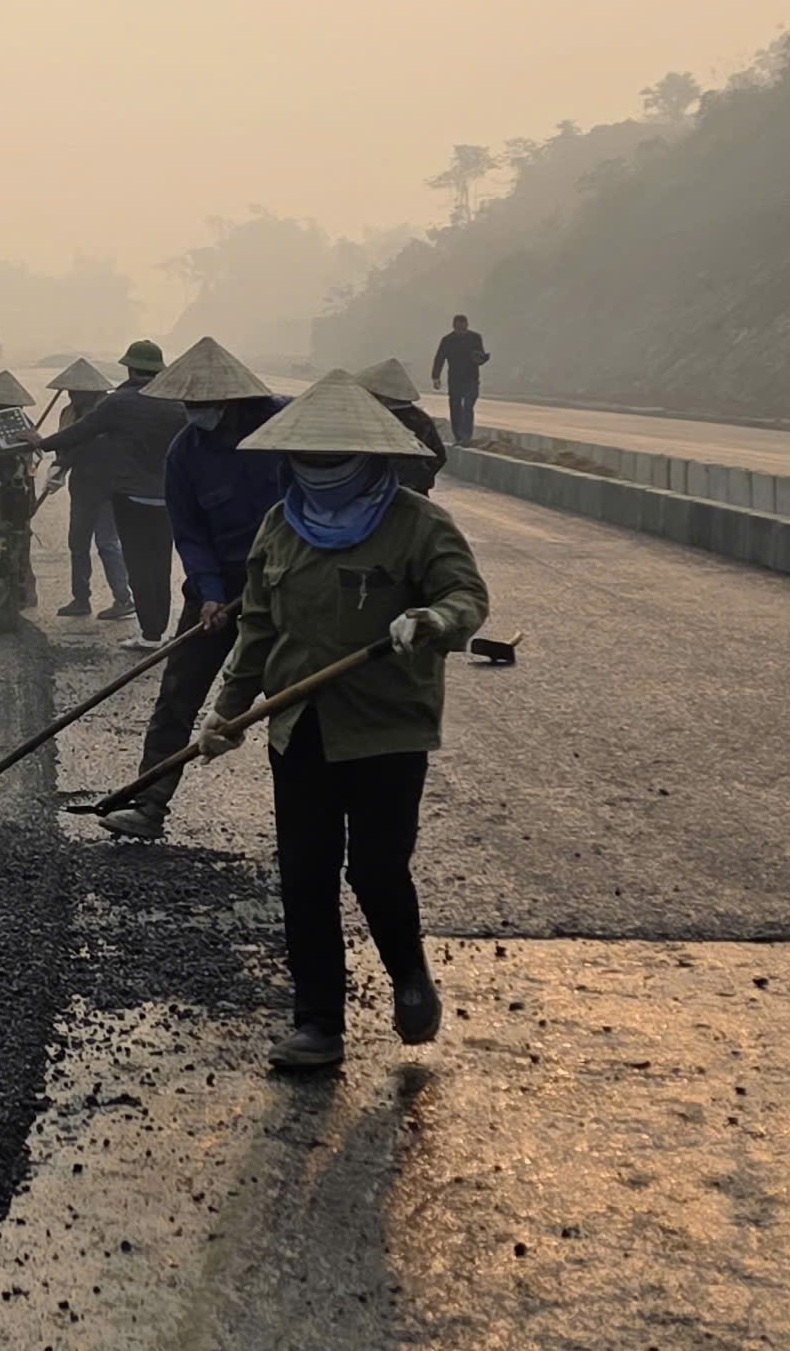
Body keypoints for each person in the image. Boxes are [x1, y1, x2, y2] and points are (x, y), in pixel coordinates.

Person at [196, 370, 489, 1070]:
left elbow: (466, 598)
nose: (318, 474)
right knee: (304, 874)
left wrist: (433, 618)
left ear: (371, 459)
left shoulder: (418, 524)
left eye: (333, 462)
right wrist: (228, 712)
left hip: (388, 729)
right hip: (297, 728)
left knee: (378, 871)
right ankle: (318, 1023)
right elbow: (259, 631)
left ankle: (409, 977)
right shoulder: (279, 526)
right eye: (307, 461)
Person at [97, 336, 288, 841]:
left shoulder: (285, 428)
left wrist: (277, 579)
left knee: (292, 706)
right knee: (178, 695)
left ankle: (307, 823)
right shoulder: (185, 451)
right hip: (218, 584)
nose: (192, 412)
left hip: (290, 585)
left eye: (201, 405)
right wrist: (206, 592)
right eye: (186, 404)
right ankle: (148, 803)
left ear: (230, 400)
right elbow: (190, 533)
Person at [38, 340, 187, 644]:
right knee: (160, 564)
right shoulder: (176, 402)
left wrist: (40, 443)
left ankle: (150, 632)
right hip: (167, 497)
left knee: (137, 563)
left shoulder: (119, 403)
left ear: (130, 368)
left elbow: (80, 433)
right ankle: (158, 629)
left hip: (130, 495)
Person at [41, 358, 134, 622]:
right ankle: (81, 598)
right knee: (77, 543)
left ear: (92, 391)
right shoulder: (67, 413)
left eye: (76, 390)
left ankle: (123, 599)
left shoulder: (108, 410)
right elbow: (65, 443)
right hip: (81, 484)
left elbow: (88, 443)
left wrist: (62, 460)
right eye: (69, 390)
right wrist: (59, 466)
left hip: (108, 484)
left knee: (107, 542)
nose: (71, 395)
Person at [355, 357, 448, 492]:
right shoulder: (421, 419)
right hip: (414, 489)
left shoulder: (377, 419)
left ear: (383, 395)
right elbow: (439, 455)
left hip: (381, 491)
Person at [430, 315, 490, 445]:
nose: (461, 332)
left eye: (463, 329)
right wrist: (436, 377)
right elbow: (439, 358)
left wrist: (482, 358)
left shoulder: (475, 338)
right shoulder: (447, 340)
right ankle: (458, 436)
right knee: (455, 408)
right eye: (459, 329)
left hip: (472, 378)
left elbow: (479, 356)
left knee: (468, 407)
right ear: (454, 327)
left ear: (467, 326)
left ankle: (466, 436)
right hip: (455, 379)